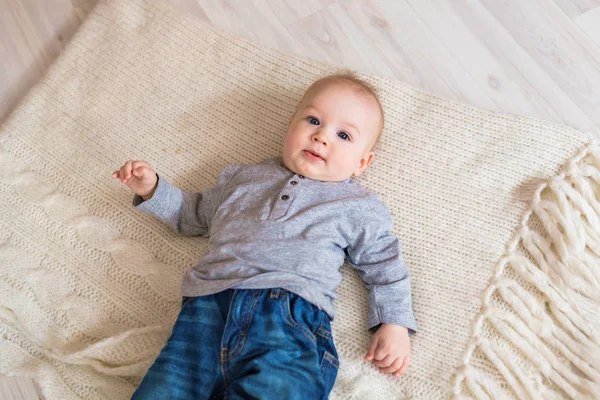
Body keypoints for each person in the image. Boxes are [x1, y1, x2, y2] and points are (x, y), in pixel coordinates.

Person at [112, 71, 417, 399]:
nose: (321, 137)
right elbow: (191, 215)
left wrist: (394, 324)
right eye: (313, 120)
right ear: (290, 125)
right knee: (165, 391)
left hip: (287, 320)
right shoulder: (243, 178)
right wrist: (152, 189)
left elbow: (385, 267)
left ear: (362, 162)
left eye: (343, 135)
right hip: (205, 314)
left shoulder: (357, 206)